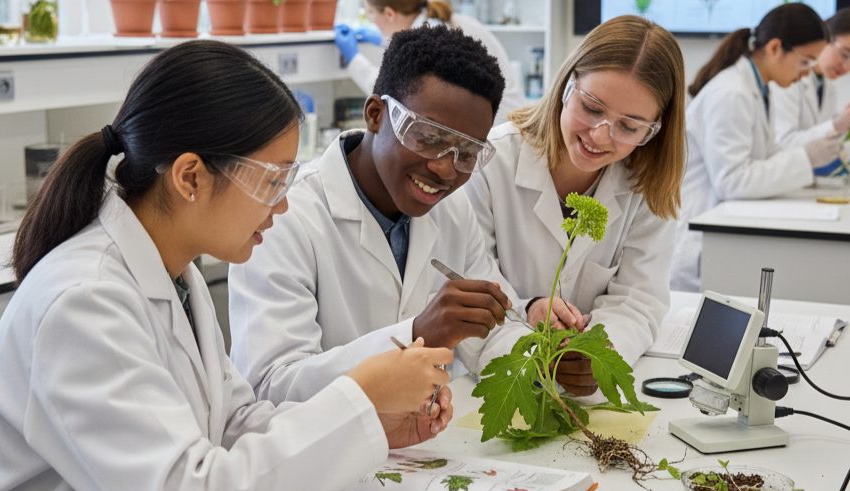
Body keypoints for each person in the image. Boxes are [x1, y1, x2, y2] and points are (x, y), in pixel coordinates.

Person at [0, 40, 454, 491]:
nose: (283, 203)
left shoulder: (174, 271)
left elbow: (232, 420)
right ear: (190, 177)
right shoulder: (84, 301)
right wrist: (361, 394)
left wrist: (371, 424)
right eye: (271, 180)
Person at [228, 26, 576, 405]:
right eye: (428, 137)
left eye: (467, 152)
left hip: (421, 447)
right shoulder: (285, 217)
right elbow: (271, 388)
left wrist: (548, 363)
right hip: (323, 457)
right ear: (376, 114)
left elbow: (491, 330)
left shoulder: (453, 211)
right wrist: (417, 333)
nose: (445, 169)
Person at [463, 15, 686, 397]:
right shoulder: (490, 162)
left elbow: (638, 300)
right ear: (568, 84)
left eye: (629, 127)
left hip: (588, 398)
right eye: (592, 107)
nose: (600, 136)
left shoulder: (647, 185)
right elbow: (468, 285)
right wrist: (532, 329)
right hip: (493, 383)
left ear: (654, 130)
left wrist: (598, 353)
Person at [670, 3, 832, 293]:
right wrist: (805, 160)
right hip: (700, 244)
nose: (807, 74)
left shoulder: (759, 88)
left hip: (723, 236)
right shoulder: (731, 93)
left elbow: (763, 158)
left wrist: (805, 160)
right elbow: (731, 181)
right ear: (774, 48)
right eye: (805, 61)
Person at [333, 0, 526, 125]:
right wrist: (385, 40)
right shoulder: (441, 22)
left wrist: (353, 59)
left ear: (390, 14)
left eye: (370, 14)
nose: (370, 21)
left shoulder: (428, 36)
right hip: (501, 123)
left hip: (492, 129)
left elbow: (394, 91)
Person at [771, 7, 850, 150]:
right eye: (845, 55)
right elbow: (783, 143)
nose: (847, 67)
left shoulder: (828, 87)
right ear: (826, 37)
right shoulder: (789, 79)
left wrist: (848, 125)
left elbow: (823, 138)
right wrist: (838, 124)